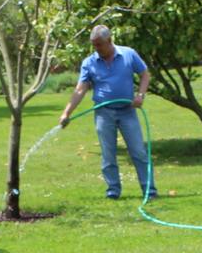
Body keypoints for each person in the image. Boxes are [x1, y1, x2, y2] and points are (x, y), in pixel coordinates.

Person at [60, 25, 157, 200]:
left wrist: (140, 95)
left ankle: (149, 190)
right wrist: (66, 113)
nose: (96, 48)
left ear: (109, 41)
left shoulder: (128, 54)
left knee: (138, 152)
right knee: (108, 154)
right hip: (103, 113)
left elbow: (145, 74)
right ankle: (113, 191)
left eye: (99, 44)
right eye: (94, 45)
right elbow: (80, 90)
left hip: (128, 111)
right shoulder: (89, 63)